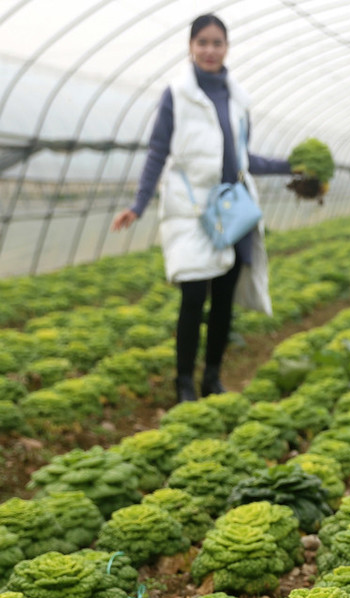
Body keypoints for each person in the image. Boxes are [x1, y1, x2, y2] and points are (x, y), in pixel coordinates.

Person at [112, 13, 294, 403]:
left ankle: (212, 377)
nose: (210, 50)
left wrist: (291, 166)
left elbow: (244, 158)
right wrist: (138, 204)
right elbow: (158, 151)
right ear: (191, 47)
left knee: (224, 298)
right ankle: (184, 383)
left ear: (227, 48)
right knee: (194, 295)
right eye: (203, 43)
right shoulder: (177, 94)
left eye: (217, 43)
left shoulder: (238, 98)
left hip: (233, 211)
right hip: (193, 210)